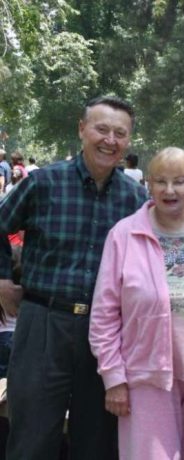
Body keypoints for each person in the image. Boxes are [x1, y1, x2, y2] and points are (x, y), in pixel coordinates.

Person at [0, 95, 149, 459]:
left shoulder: (136, 199)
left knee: (97, 440)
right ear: (82, 130)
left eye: (120, 133)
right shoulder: (44, 183)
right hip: (42, 323)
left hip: (107, 334)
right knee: (32, 435)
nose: (109, 140)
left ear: (128, 140)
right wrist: (2, 278)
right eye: (101, 129)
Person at [89, 147, 184, 460]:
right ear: (148, 185)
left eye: (179, 181)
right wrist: (114, 379)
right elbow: (103, 316)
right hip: (145, 376)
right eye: (161, 181)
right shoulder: (124, 235)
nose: (170, 190)